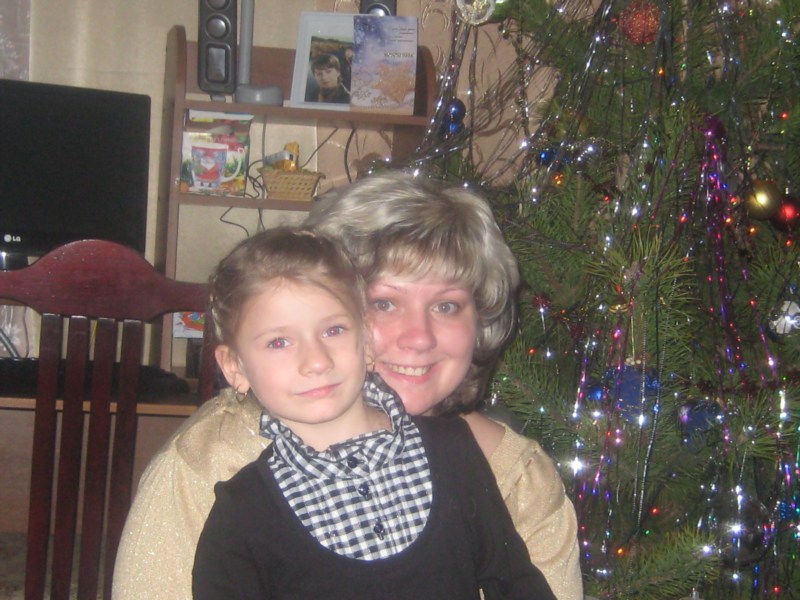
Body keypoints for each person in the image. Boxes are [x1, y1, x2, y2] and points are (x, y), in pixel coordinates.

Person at [112, 171, 583, 600]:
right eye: (384, 303)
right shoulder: (209, 465)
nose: (419, 338)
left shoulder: (519, 477)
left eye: (447, 306)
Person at [191, 227, 556, 599]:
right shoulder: (241, 513)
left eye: (333, 330)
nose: (316, 361)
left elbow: (515, 582)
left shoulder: (454, 450)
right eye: (279, 342)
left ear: (366, 342)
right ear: (234, 367)